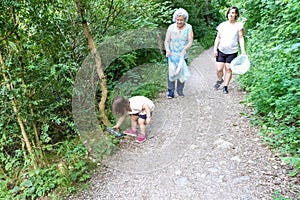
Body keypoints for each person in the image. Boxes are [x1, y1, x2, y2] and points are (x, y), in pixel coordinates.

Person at [213, 6, 246, 94]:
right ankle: (220, 80)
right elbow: (218, 38)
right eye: (229, 13)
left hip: (232, 51)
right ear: (227, 14)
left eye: (233, 13)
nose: (231, 15)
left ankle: (225, 86)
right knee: (219, 69)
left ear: (236, 14)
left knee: (228, 68)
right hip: (221, 50)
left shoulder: (239, 25)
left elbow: (241, 38)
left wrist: (243, 51)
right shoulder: (222, 25)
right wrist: (215, 49)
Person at [164, 8, 193, 98]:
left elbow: (190, 41)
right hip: (172, 54)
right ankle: (170, 92)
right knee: (171, 72)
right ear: (175, 19)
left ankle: (180, 91)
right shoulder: (171, 27)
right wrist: (167, 50)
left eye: (181, 20)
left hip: (183, 55)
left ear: (185, 20)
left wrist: (185, 48)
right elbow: (167, 41)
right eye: (178, 20)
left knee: (181, 72)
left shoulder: (189, 27)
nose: (179, 22)